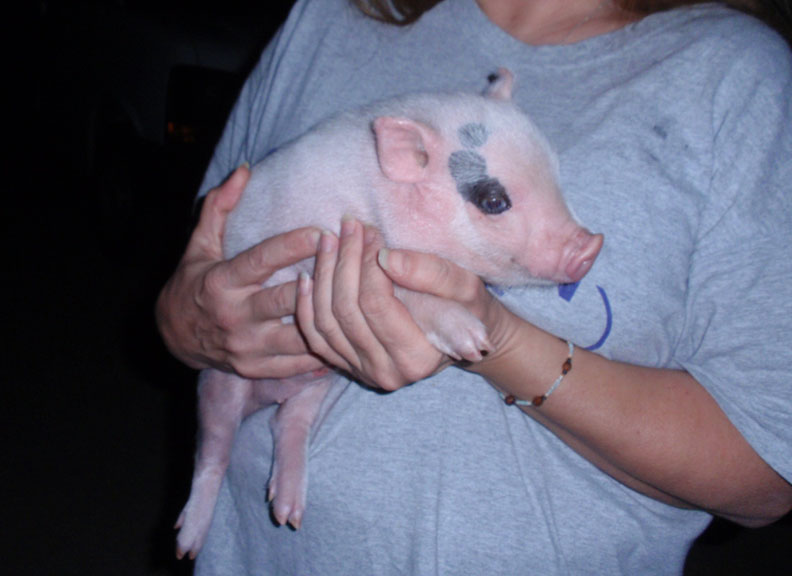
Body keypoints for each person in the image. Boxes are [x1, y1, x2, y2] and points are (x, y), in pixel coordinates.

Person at [155, 0, 792, 573]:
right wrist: (185, 322)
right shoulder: (332, 13)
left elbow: (767, 475)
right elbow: (203, 269)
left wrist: (502, 342)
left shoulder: (734, 76)